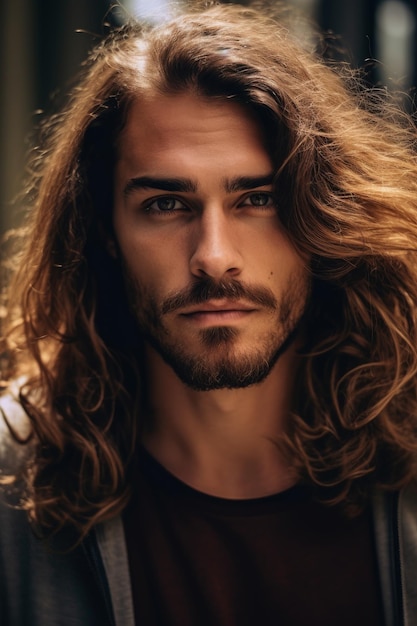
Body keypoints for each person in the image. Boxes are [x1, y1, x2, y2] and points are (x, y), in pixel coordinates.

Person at [1, 2, 417, 624]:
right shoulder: (14, 487)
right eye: (167, 204)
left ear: (321, 215)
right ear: (105, 230)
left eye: (259, 198)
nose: (214, 258)